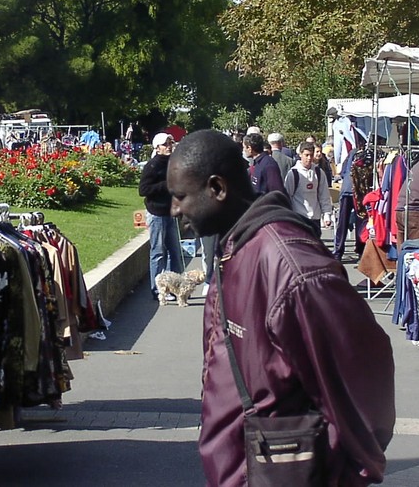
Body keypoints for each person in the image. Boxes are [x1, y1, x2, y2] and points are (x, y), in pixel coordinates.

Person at [166, 130, 395, 487]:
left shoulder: (292, 268)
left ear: (217, 189)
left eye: (180, 197)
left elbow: (366, 378)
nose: (174, 210)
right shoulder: (237, 249)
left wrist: (346, 473)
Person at [139, 132, 183, 301]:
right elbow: (143, 190)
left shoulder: (172, 163)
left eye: (170, 143)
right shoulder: (152, 165)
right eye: (166, 144)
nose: (169, 146)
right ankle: (158, 289)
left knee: (174, 251)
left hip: (170, 212)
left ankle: (175, 286)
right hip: (156, 213)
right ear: (157, 148)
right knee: (158, 252)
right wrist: (166, 185)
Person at [285, 141, 333, 228]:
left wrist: (327, 215)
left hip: (315, 217)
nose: (309, 158)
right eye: (306, 155)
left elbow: (324, 195)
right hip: (299, 217)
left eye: (311, 155)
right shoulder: (293, 173)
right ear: (300, 154)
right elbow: (287, 196)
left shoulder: (318, 172)